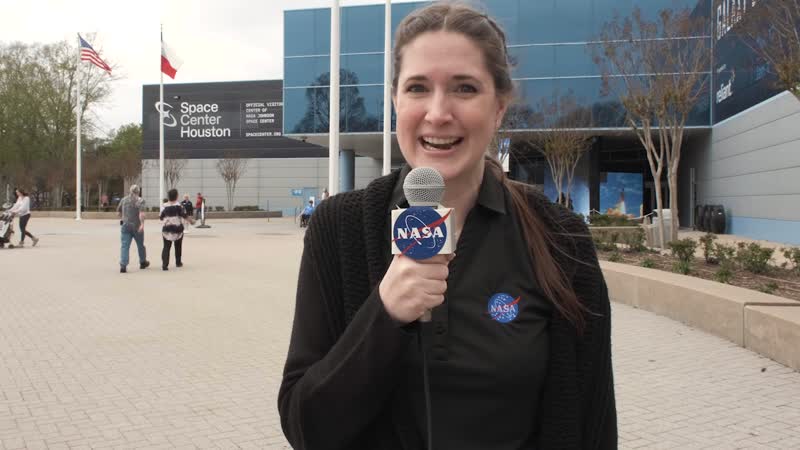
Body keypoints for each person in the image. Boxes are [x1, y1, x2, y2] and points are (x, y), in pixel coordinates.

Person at [278, 3, 617, 449]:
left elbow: (593, 424)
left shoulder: (561, 238)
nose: (438, 113)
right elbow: (306, 428)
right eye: (418, 88)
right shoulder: (338, 227)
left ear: (499, 107)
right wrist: (383, 313)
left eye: (464, 88)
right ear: (396, 101)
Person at [117, 185, 149, 273]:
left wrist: (123, 218)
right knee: (140, 245)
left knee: (125, 246)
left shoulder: (123, 200)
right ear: (138, 192)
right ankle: (143, 262)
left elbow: (119, 212)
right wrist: (142, 225)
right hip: (136, 226)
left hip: (125, 225)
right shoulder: (140, 201)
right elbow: (141, 214)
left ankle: (123, 265)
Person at [160, 188, 193, 270]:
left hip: (167, 229)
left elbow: (161, 217)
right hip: (177, 230)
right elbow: (184, 215)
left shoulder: (164, 206)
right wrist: (191, 221)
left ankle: (165, 264)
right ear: (177, 196)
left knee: (166, 247)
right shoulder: (179, 206)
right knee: (178, 246)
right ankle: (178, 262)